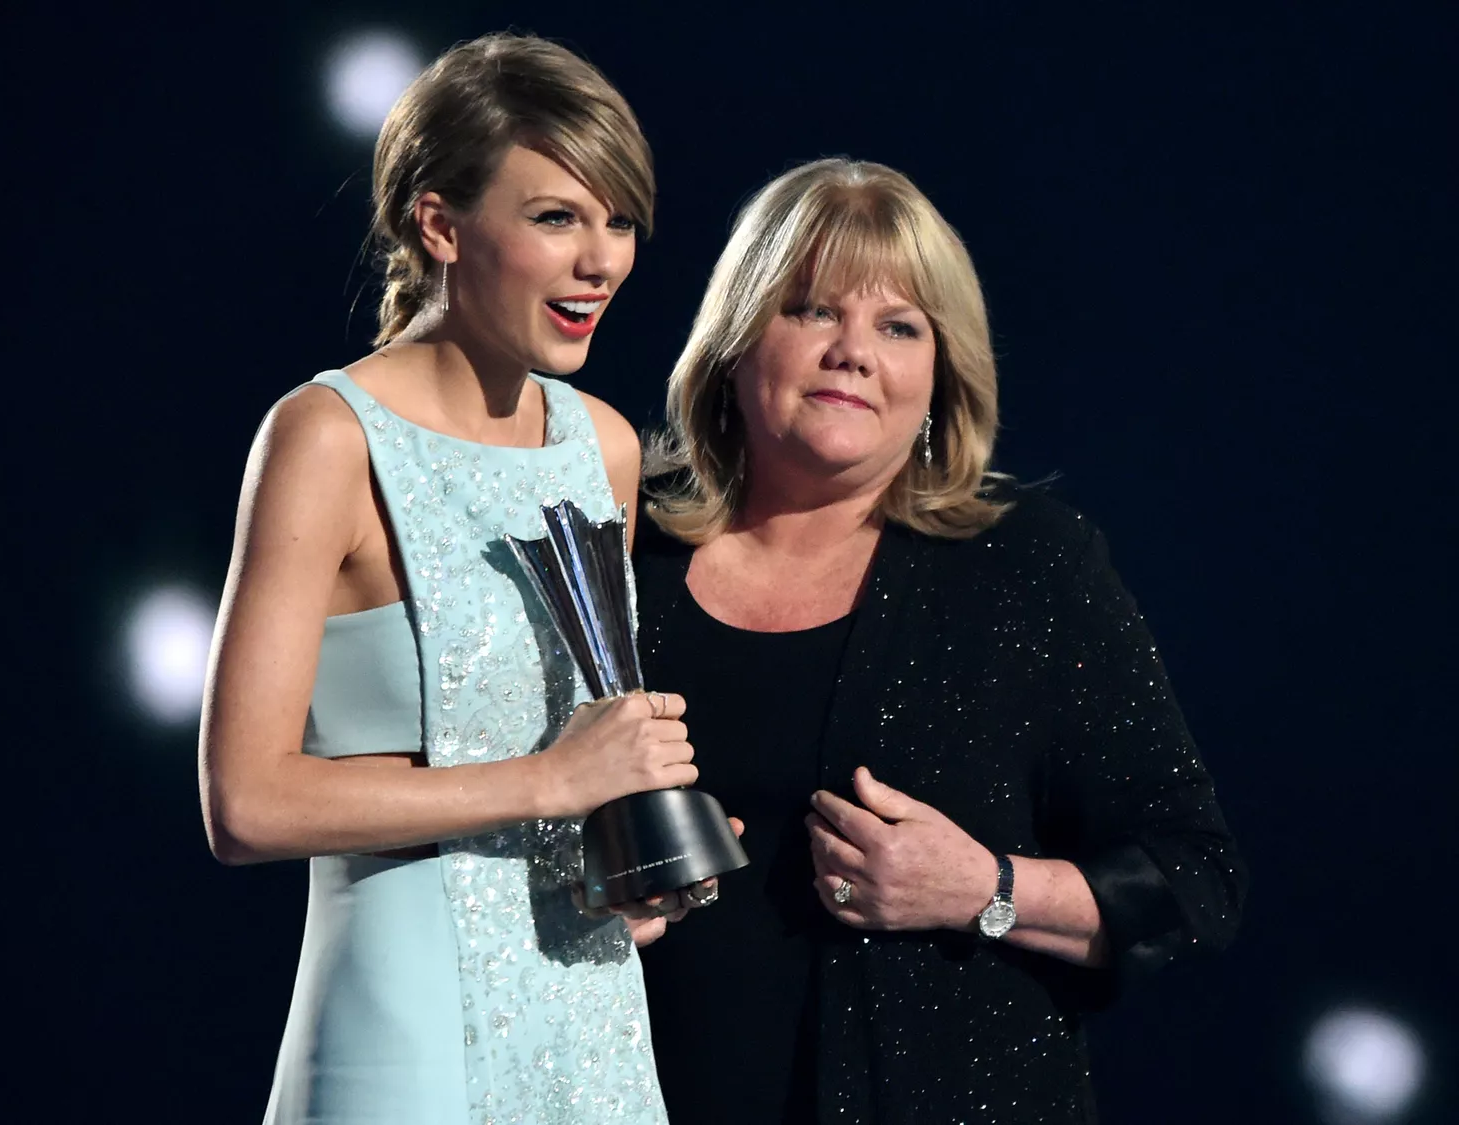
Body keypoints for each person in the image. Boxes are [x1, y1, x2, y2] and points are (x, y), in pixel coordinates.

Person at [633, 157, 1248, 1124]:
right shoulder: (621, 550)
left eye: (898, 326)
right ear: (737, 339)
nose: (853, 351)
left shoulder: (1030, 567)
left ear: (940, 371)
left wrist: (984, 887)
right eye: (812, 310)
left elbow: (1195, 879)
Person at [197, 33, 706, 1125]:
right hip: (402, 1025)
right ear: (440, 224)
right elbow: (243, 799)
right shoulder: (327, 438)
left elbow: (578, 757)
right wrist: (550, 785)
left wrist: (625, 855)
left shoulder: (603, 449)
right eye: (557, 217)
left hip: (590, 1021)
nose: (602, 260)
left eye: (618, 221)